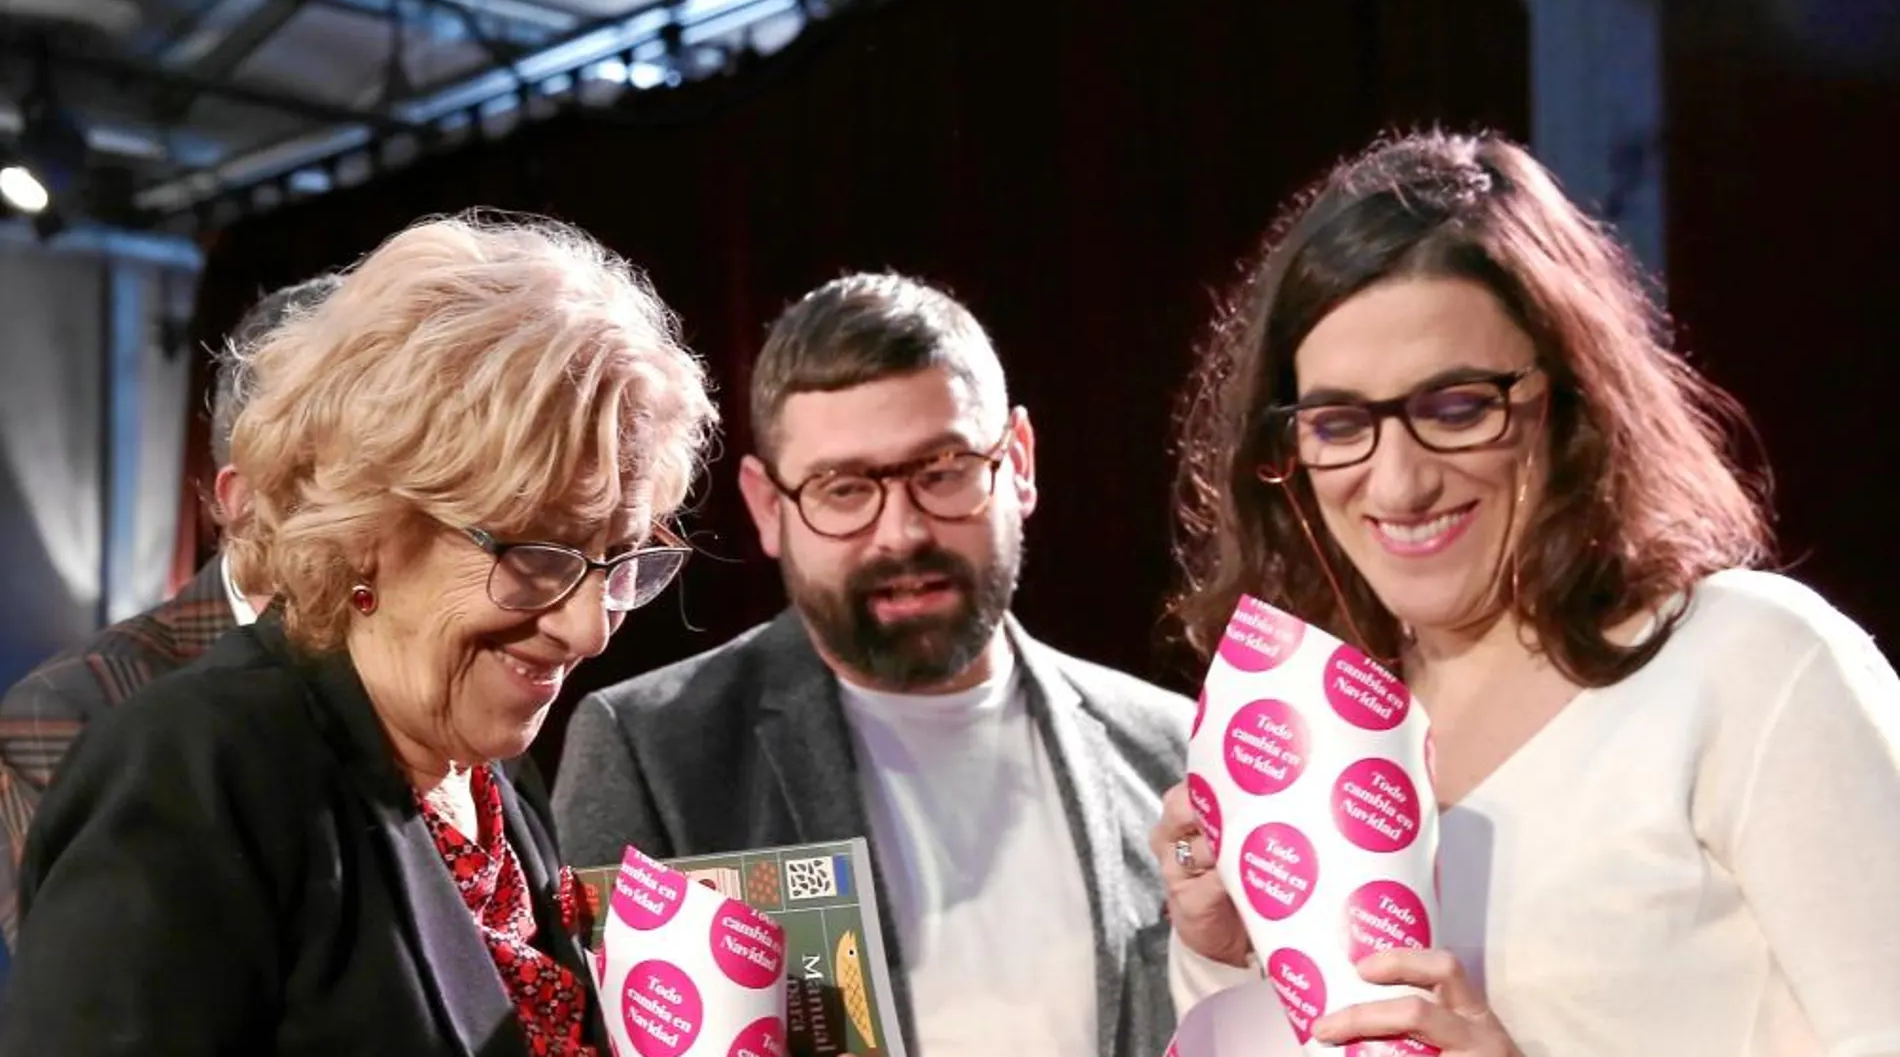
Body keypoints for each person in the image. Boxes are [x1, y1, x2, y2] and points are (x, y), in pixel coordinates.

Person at [1155, 128, 1900, 1056]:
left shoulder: (1751, 666)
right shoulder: (1305, 726)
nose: (1398, 484)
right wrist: (1233, 956)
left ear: (1573, 400)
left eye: (1458, 407)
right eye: (1339, 423)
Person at [0, 211, 717, 1056]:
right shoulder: (197, 767)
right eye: (532, 554)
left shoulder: (494, 777)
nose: (590, 628)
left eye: (619, 556)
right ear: (373, 522)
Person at [553, 272, 1190, 1057]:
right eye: (844, 487)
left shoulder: (1171, 748)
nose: (900, 532)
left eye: (942, 470)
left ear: (1018, 462)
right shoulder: (655, 753)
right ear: (767, 507)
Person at [0, 271, 339, 950]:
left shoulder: (445, 688)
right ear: (245, 499)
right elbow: (93, 995)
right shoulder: (78, 702)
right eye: (358, 474)